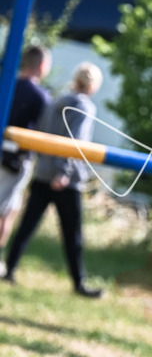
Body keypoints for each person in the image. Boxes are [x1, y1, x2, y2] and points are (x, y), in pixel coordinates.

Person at [2, 62, 104, 297]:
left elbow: (42, 133)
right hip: (64, 180)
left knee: (26, 226)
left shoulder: (55, 101)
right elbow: (74, 141)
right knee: (73, 235)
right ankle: (79, 283)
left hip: (42, 173)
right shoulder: (84, 107)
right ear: (93, 85)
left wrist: (48, 166)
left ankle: (10, 269)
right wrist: (64, 173)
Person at [0, 45, 52, 269]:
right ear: (41, 65)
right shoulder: (41, 97)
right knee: (7, 211)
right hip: (17, 160)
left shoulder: (7, 86)